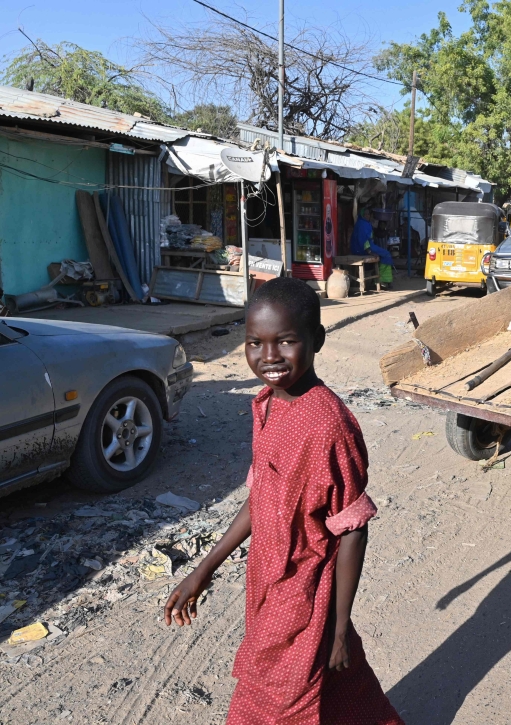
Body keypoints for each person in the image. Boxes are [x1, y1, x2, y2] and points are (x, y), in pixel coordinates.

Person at [163, 277, 403, 725]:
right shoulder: (267, 405)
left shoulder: (329, 425)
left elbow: (352, 528)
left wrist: (337, 629)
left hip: (304, 593)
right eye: (255, 342)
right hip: (266, 582)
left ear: (316, 340)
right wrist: (203, 569)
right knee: (334, 689)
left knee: (273, 699)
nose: (268, 357)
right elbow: (262, 497)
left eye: (286, 341)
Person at [350, 207, 394, 289]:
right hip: (361, 249)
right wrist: (369, 251)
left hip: (367, 246)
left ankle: (382, 280)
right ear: (362, 215)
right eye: (366, 214)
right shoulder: (362, 224)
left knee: (385, 254)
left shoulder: (364, 223)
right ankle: (381, 281)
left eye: (368, 214)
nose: (367, 215)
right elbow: (363, 240)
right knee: (386, 254)